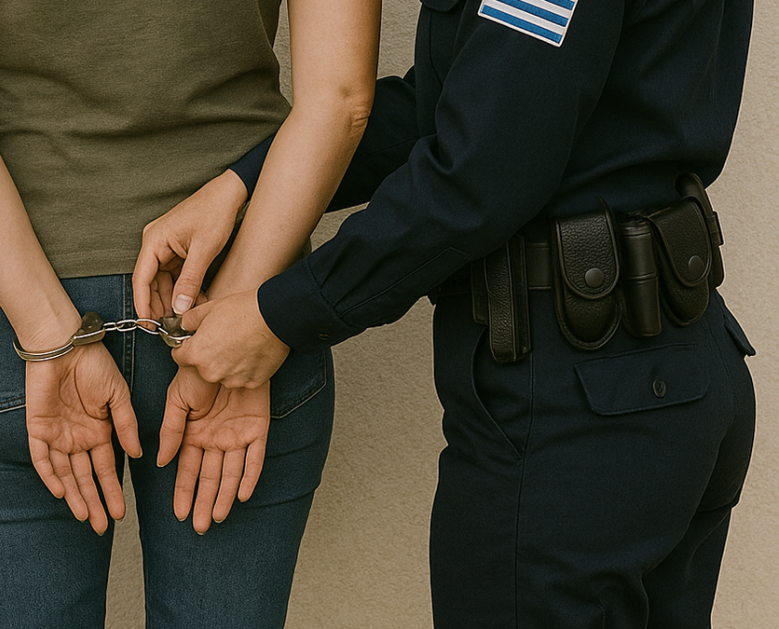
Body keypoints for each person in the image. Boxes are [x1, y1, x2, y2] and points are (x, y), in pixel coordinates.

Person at [151, 0, 758, 626]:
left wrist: (280, 316)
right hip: (669, 375)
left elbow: (480, 172)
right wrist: (244, 183)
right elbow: (458, 106)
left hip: (576, 408)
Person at [0, 0, 379, 625]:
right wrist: (240, 303)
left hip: (5, 317)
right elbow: (341, 99)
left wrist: (46, 328)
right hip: (236, 308)